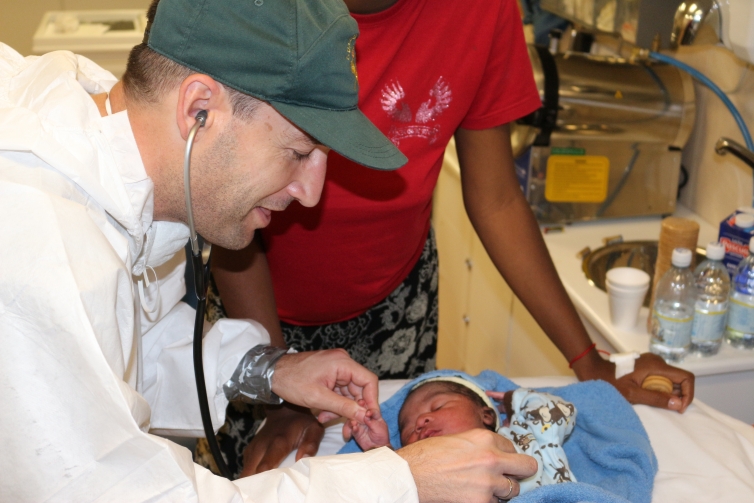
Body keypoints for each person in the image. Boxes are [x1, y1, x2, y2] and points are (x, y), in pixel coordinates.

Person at [0, 0, 540, 501]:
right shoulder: (39, 248)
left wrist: (266, 369)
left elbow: (117, 352)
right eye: (298, 152)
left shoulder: (109, 140)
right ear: (199, 109)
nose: (311, 195)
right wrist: (401, 483)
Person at [203, 0, 696, 479]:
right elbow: (226, 206)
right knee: (263, 479)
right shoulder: (255, 11)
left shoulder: (480, 10)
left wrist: (592, 365)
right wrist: (279, 378)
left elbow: (498, 199)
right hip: (254, 303)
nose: (310, 191)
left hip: (396, 308)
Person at [348, 378, 577, 495]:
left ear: (486, 415)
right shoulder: (426, 474)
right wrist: (380, 451)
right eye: (408, 429)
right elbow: (393, 485)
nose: (419, 422)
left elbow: (560, 412)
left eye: (437, 406)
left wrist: (517, 400)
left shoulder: (521, 435)